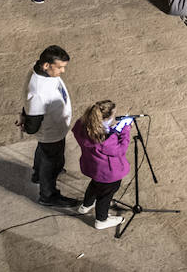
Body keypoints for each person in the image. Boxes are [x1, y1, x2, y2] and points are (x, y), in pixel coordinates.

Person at [22, 44, 75, 207]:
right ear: (46, 65)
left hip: (55, 129)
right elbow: (32, 127)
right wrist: (26, 120)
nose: (63, 72)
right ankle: (48, 195)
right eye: (60, 67)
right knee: (51, 162)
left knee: (44, 154)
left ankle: (38, 175)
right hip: (51, 133)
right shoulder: (38, 93)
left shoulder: (39, 68)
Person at [71, 100, 132, 229]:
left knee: (94, 185)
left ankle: (86, 205)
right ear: (106, 118)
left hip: (92, 166)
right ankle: (101, 220)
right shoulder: (105, 140)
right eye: (113, 116)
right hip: (108, 173)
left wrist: (112, 130)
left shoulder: (82, 125)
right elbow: (120, 149)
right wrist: (126, 129)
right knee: (105, 196)